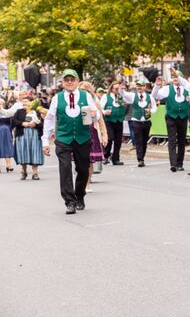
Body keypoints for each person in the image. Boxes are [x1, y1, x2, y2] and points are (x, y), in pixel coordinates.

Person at [42, 69, 98, 214]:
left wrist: (94, 115)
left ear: (77, 81)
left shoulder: (85, 95)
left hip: (82, 138)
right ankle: (70, 201)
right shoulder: (57, 98)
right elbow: (49, 119)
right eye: (66, 80)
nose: (69, 82)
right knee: (65, 169)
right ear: (62, 82)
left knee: (83, 170)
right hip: (63, 138)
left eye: (72, 79)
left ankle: (80, 195)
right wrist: (45, 141)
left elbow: (96, 115)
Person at [153, 70, 190, 172]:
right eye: (173, 77)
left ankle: (180, 163)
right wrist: (156, 86)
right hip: (171, 117)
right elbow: (155, 96)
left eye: (177, 77)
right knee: (172, 140)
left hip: (183, 117)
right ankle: (173, 164)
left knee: (182, 141)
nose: (175, 79)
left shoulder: (187, 89)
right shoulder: (167, 89)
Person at [120, 79, 157, 167]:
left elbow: (155, 108)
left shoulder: (149, 96)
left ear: (145, 87)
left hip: (147, 121)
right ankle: (140, 159)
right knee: (138, 141)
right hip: (136, 120)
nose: (139, 87)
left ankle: (142, 156)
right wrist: (121, 88)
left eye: (141, 86)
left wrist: (151, 111)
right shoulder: (133, 95)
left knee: (144, 141)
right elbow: (123, 94)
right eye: (138, 86)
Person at [12, 94, 45, 180]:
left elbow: (42, 124)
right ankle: (24, 172)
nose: (24, 103)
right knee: (23, 153)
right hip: (22, 135)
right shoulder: (19, 111)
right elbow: (13, 121)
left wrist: (35, 124)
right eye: (23, 102)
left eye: (26, 102)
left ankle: (35, 173)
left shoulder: (37, 112)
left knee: (35, 153)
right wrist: (22, 123)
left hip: (35, 135)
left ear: (31, 102)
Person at [101, 82, 126, 165]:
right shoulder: (106, 97)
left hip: (119, 120)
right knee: (109, 138)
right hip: (109, 120)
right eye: (116, 89)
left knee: (118, 141)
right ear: (111, 89)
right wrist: (104, 112)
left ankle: (115, 158)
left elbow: (124, 105)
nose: (117, 90)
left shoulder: (120, 96)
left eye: (118, 89)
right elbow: (100, 108)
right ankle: (105, 156)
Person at [0, 94, 20, 172]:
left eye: (1, 104)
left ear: (3, 105)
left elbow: (13, 121)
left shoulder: (8, 112)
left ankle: (8, 165)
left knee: (7, 147)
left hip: (6, 133)